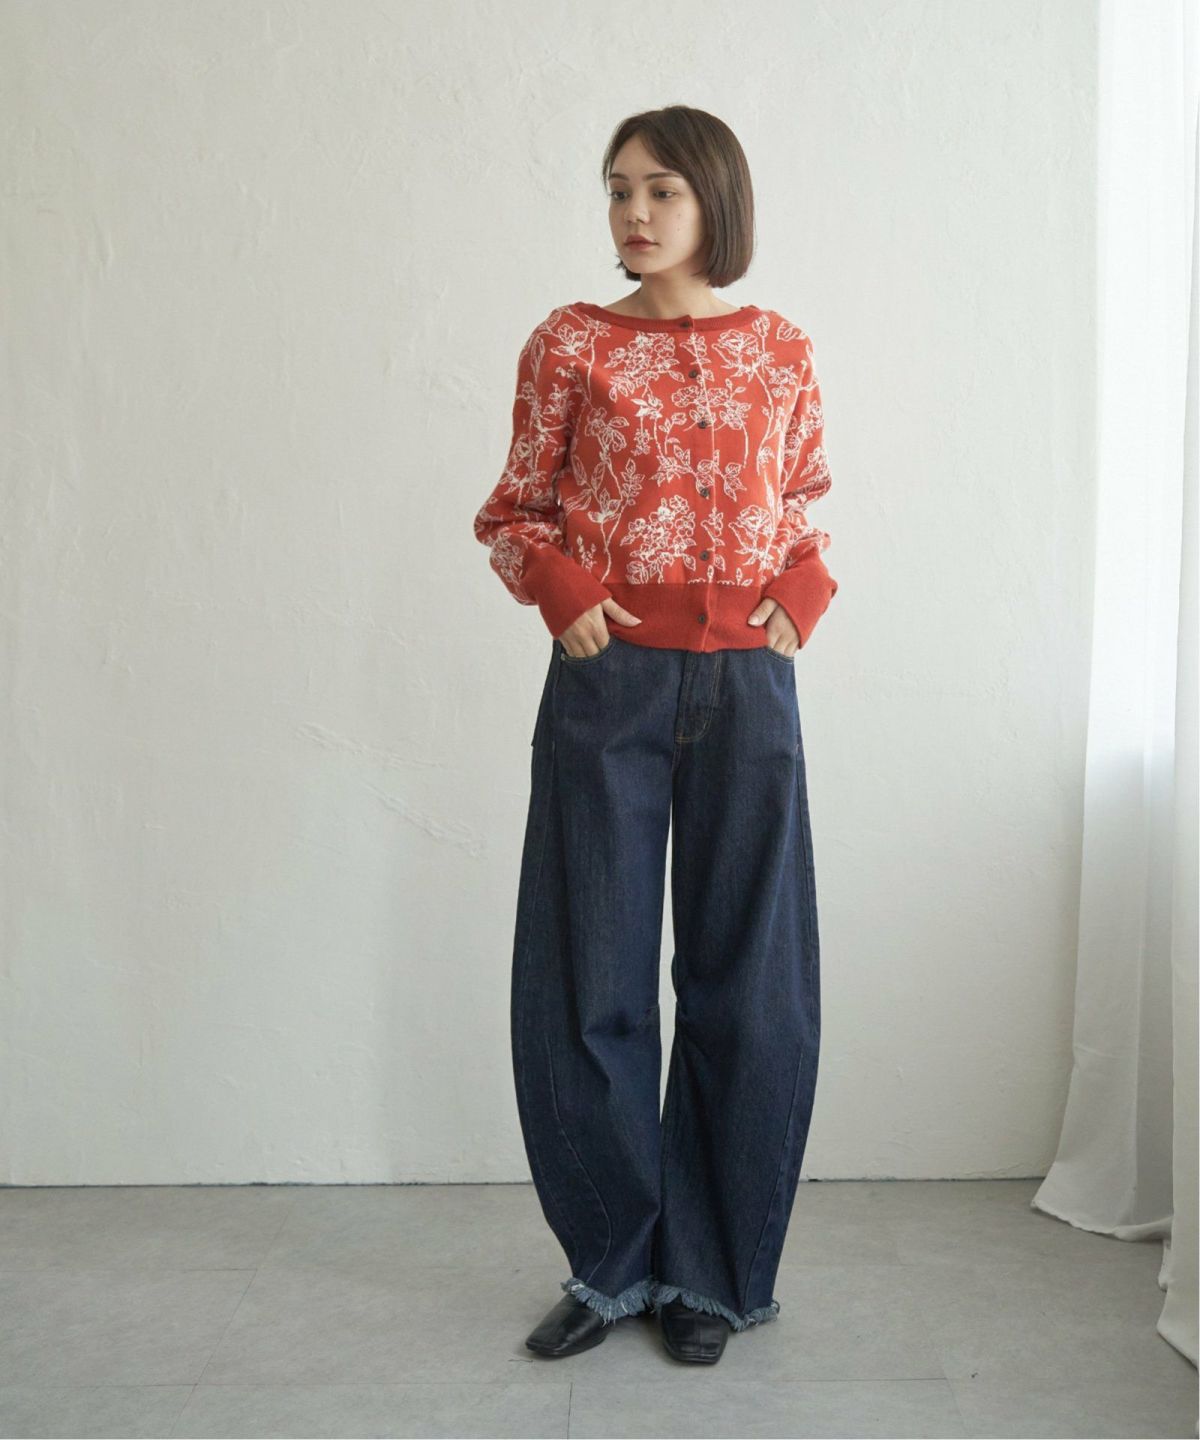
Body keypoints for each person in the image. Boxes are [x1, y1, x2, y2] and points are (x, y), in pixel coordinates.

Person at [472, 104, 837, 1366]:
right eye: (619, 190)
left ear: (713, 201)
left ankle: (715, 1278)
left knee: (752, 984)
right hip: (608, 683)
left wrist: (805, 590)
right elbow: (515, 511)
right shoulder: (569, 345)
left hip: (750, 688)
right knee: (594, 976)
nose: (634, 213)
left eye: (662, 190)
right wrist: (561, 589)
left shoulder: (779, 349)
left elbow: (803, 504)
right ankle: (614, 1263)